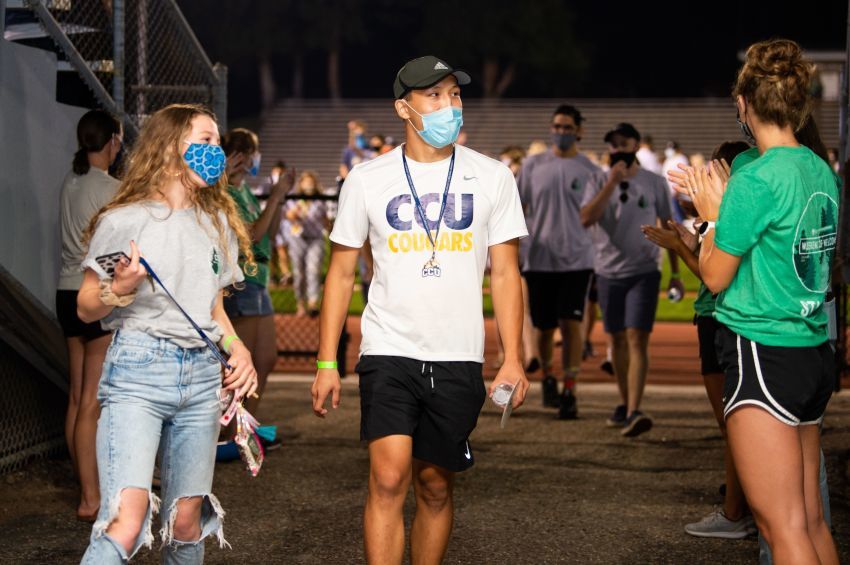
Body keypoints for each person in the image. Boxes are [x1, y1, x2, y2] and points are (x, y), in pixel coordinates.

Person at [311, 56, 529, 564]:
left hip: (458, 354)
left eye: (454, 95)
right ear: (403, 108)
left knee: (434, 486)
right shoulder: (367, 179)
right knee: (388, 478)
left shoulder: (493, 177)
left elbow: (505, 274)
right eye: (434, 96)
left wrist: (513, 356)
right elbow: (341, 273)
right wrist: (326, 363)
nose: (448, 105)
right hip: (389, 348)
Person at [678, 39, 839, 564]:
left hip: (761, 353)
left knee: (782, 528)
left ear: (745, 103)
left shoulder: (758, 179)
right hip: (811, 350)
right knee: (811, 520)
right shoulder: (818, 168)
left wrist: (710, 217)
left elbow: (714, 277)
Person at [77, 104, 259, 564]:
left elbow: (213, 308)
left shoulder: (217, 222)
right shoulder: (125, 220)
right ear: (169, 147)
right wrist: (118, 288)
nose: (215, 152)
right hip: (139, 371)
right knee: (127, 517)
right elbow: (85, 306)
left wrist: (238, 351)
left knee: (186, 521)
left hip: (200, 377)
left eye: (217, 143)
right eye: (204, 141)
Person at [643, 140, 757, 540]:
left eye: (713, 169)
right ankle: (742, 501)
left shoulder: (728, 208)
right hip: (720, 316)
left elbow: (712, 275)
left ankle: (735, 511)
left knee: (732, 424)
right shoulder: (737, 205)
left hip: (717, 317)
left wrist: (681, 247)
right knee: (738, 422)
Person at [580, 122, 684, 436]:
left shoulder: (653, 182)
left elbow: (669, 227)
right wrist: (611, 183)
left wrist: (676, 273)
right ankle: (625, 405)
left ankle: (635, 409)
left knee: (637, 337)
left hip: (644, 271)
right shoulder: (597, 179)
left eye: (623, 144)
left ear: (636, 146)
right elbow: (586, 218)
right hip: (608, 271)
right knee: (616, 341)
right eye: (612, 145)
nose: (617, 150)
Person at [57, 109, 123, 521]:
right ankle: (91, 496)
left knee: (77, 394)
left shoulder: (70, 181)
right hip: (94, 294)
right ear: (113, 141)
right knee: (92, 402)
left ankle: (84, 483)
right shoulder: (111, 188)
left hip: (65, 292)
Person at [518, 104, 599, 418]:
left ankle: (570, 387)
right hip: (540, 258)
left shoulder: (590, 170)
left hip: (577, 258)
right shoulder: (533, 165)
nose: (561, 132)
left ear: (579, 131)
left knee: (571, 322)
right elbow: (517, 205)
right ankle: (549, 375)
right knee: (543, 325)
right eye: (557, 126)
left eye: (567, 127)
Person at [222, 128, 294, 448]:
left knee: (266, 358)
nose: (255, 161)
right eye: (251, 154)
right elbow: (250, 236)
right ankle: (228, 433)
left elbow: (270, 231)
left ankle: (244, 427)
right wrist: (276, 196)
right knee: (244, 362)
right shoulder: (227, 195)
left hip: (258, 282)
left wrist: (279, 199)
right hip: (243, 282)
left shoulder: (245, 192)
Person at [284, 170, 329, 316]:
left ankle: (312, 302)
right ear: (301, 184)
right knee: (299, 273)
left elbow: (325, 220)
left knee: (313, 269)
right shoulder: (295, 198)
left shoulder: (320, 200)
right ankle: (300, 303)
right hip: (298, 239)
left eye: (311, 182)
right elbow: (289, 215)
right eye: (306, 182)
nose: (309, 185)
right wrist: (300, 207)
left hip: (315, 238)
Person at [662, 141, 689, 222]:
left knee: (678, 217)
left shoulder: (681, 158)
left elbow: (683, 175)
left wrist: (678, 190)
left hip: (676, 194)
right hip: (668, 192)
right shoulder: (669, 159)